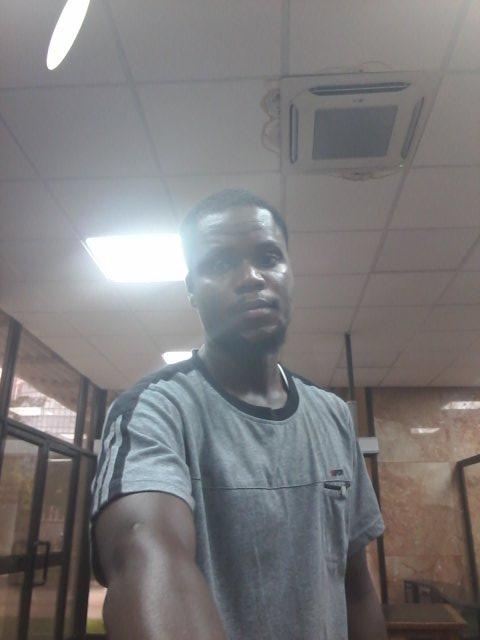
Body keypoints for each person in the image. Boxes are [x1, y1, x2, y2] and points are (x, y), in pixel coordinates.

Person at [90, 189, 387, 640]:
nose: (251, 277)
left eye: (269, 257)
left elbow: (357, 589)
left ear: (290, 273)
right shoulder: (154, 411)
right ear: (191, 289)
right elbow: (144, 548)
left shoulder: (332, 415)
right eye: (220, 263)